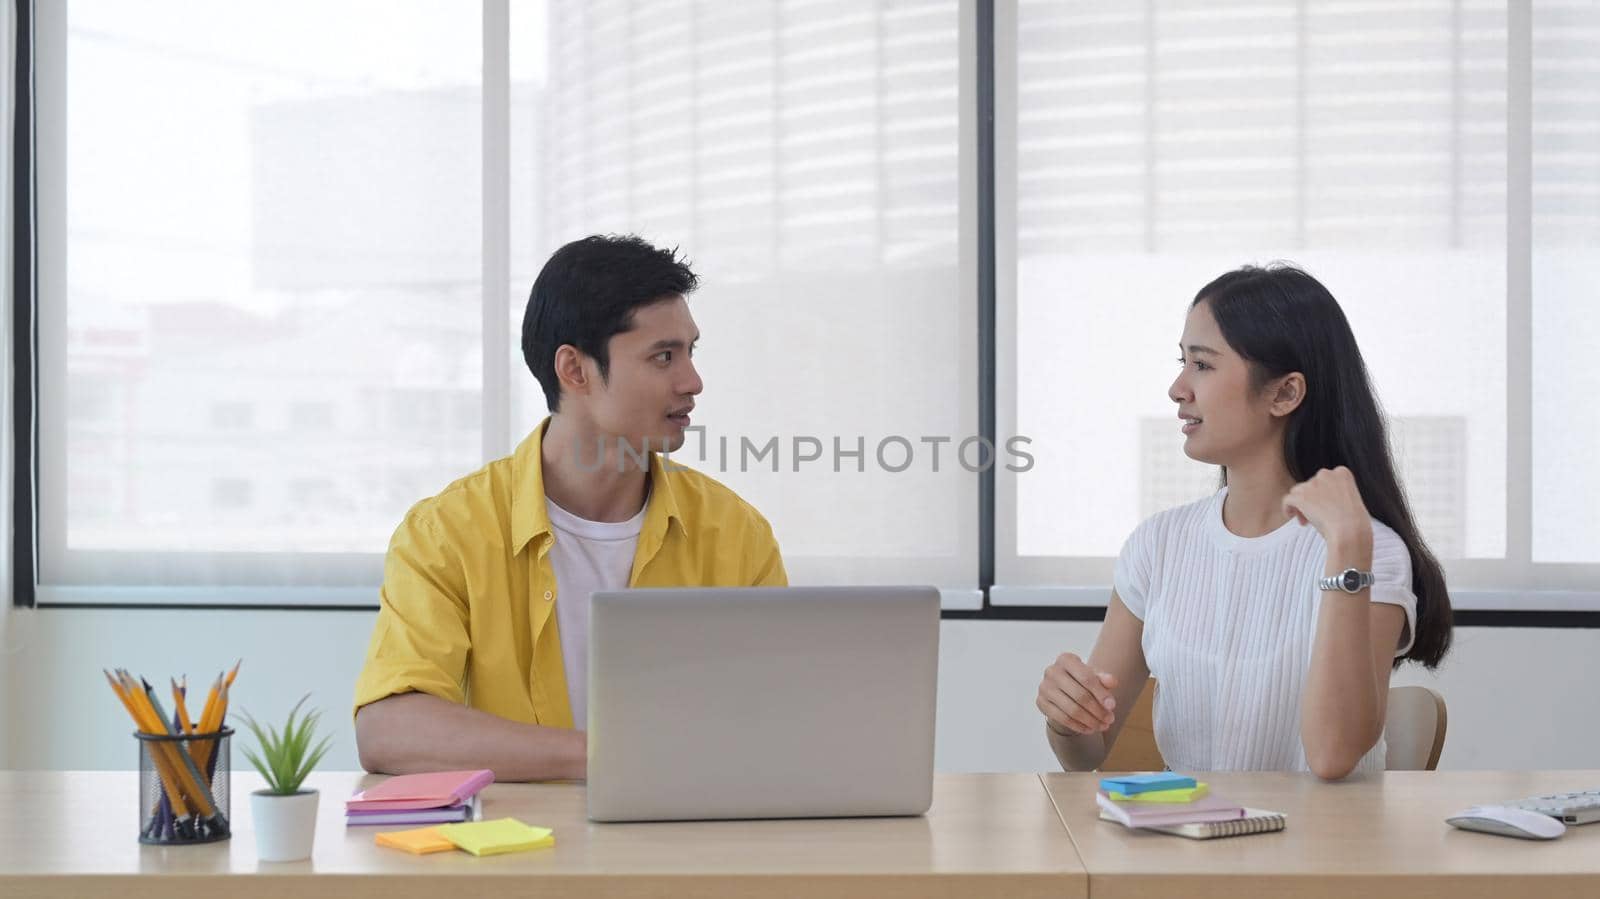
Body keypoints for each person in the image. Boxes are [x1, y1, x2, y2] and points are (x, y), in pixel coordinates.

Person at [354, 234, 787, 781]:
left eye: (690, 352)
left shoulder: (735, 533)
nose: (692, 381)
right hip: (517, 857)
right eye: (663, 357)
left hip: (687, 848)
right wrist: (612, 756)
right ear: (575, 370)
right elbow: (390, 730)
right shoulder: (446, 534)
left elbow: (778, 720)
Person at [1036, 264, 1452, 780]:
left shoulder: (1369, 551)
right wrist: (1067, 719)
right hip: (1191, 843)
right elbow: (1088, 753)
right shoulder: (1158, 545)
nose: (1177, 388)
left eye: (1203, 366)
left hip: (1326, 852)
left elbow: (1332, 757)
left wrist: (1346, 547)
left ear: (1284, 394)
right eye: (1182, 362)